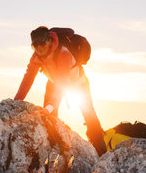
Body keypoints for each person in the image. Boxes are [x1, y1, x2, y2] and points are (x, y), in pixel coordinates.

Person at [14, 26, 107, 156]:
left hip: (78, 84)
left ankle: (101, 150)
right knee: (48, 116)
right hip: (54, 82)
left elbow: (62, 84)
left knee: (89, 115)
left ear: (50, 41)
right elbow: (28, 79)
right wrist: (17, 100)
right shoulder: (36, 57)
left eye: (42, 43)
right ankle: (52, 145)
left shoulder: (64, 54)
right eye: (35, 45)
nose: (39, 47)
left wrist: (50, 107)